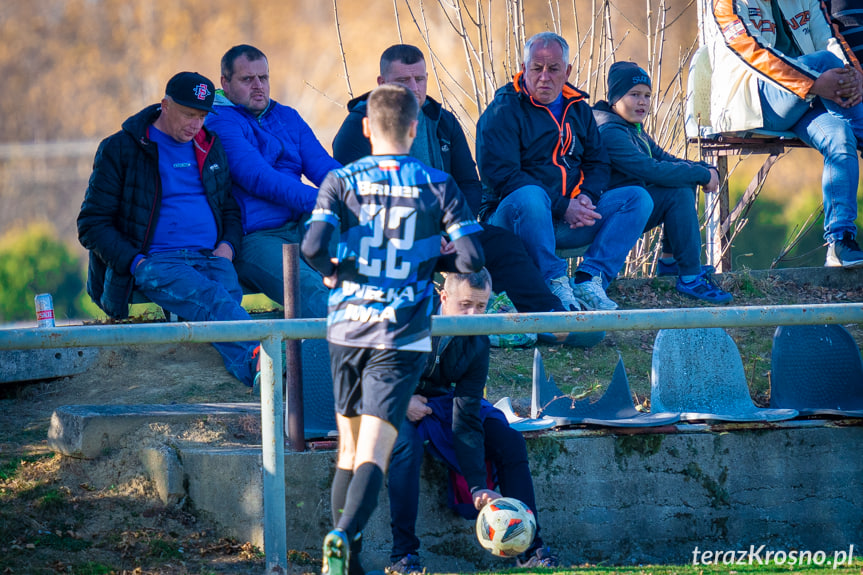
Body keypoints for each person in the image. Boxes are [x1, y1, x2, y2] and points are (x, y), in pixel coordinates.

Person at [301, 84, 484, 575]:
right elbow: (471, 257)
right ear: (414, 128)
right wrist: (426, 256)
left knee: (348, 451)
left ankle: (350, 566)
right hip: (398, 335)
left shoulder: (340, 179)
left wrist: (337, 265)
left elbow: (313, 247)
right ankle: (340, 537)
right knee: (374, 456)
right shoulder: (437, 183)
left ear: (365, 128)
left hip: (346, 330)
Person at [333, 43, 603, 347]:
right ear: (382, 85)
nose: (413, 89)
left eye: (419, 80)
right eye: (402, 82)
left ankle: (549, 319)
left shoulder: (442, 121)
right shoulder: (358, 128)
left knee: (503, 244)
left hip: (447, 232)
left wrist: (453, 226)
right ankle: (447, 329)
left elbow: (469, 184)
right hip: (390, 241)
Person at [78, 72, 260, 387]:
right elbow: (91, 224)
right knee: (214, 299)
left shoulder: (209, 145)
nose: (196, 124)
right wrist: (137, 262)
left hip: (211, 256)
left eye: (202, 116)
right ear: (165, 105)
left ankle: (253, 377)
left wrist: (227, 248)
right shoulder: (121, 148)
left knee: (223, 298)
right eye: (189, 114)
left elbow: (228, 206)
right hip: (156, 262)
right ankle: (267, 362)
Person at [385, 269, 558, 575]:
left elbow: (465, 414)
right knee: (405, 448)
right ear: (444, 297)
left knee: (509, 440)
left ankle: (529, 549)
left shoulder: (478, 341)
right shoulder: (407, 315)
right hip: (385, 398)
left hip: (440, 401)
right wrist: (401, 400)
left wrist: (478, 484)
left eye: (481, 306)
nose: (473, 314)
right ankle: (403, 557)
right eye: (465, 305)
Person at [476, 32, 653, 311]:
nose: (544, 76)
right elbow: (502, 176)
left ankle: (589, 280)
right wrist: (562, 206)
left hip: (570, 218)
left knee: (637, 198)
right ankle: (553, 282)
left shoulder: (579, 110)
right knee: (531, 195)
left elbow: (598, 163)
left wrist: (586, 197)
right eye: (536, 68)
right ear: (524, 68)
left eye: (553, 69)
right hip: (513, 220)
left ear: (567, 71)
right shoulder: (502, 112)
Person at [710, 0, 863, 268]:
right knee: (826, 62)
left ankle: (840, 242)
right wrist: (813, 82)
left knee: (840, 136)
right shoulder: (728, 3)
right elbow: (754, 54)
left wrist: (855, 77)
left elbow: (830, 40)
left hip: (807, 98)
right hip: (756, 99)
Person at [206, 44, 341, 318]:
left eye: (263, 78)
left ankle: (412, 335)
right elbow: (259, 179)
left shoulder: (286, 116)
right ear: (225, 83)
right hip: (256, 237)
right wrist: (327, 200)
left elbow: (323, 166)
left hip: (304, 222)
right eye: (247, 79)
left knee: (369, 252)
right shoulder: (218, 122)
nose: (258, 86)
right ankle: (367, 351)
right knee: (311, 291)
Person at [593, 62, 733, 304]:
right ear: (615, 99)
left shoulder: (631, 128)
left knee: (681, 178)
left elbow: (663, 158)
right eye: (634, 95)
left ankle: (671, 264)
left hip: (631, 207)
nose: (642, 102)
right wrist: (700, 175)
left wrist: (701, 167)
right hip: (610, 213)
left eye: (647, 95)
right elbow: (651, 170)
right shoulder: (610, 132)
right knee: (677, 188)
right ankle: (690, 277)